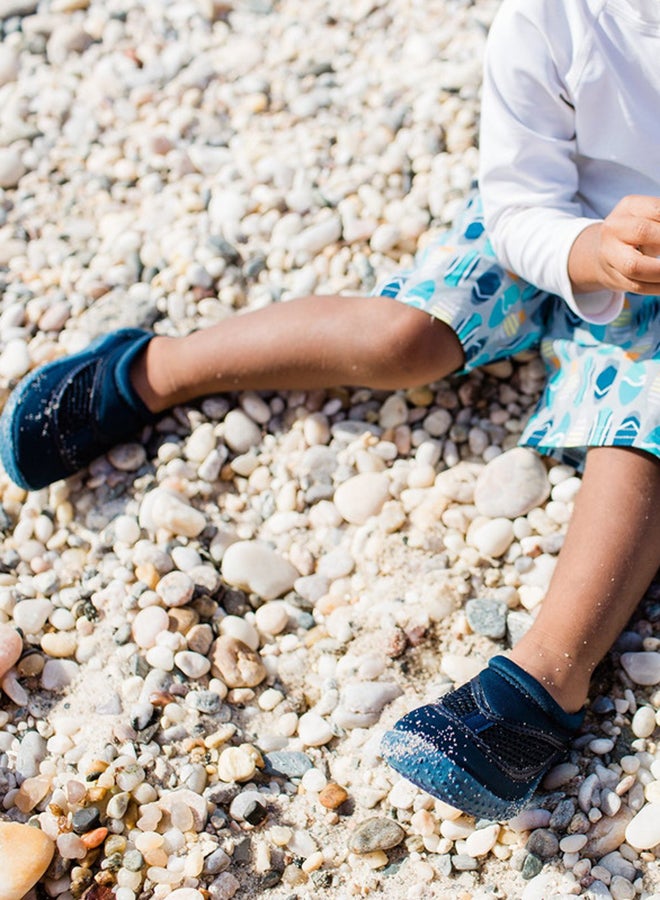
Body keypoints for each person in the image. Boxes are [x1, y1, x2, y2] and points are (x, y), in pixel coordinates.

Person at [1, 0, 660, 820]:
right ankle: (152, 369)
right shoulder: (551, 22)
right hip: (550, 225)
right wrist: (587, 250)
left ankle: (544, 681)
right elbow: (519, 199)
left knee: (642, 431)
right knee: (402, 340)